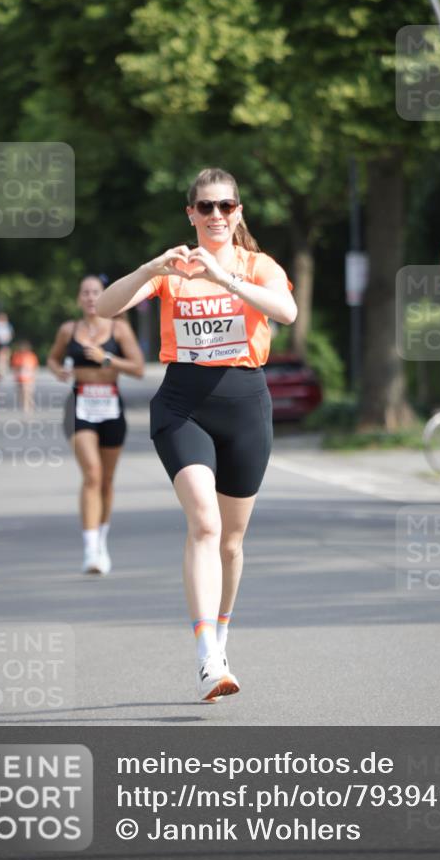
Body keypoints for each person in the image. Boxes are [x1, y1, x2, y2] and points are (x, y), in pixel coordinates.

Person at [96, 167, 297, 702]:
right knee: (204, 524)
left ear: (238, 212)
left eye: (225, 206)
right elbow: (103, 307)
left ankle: (223, 631)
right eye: (204, 207)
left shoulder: (258, 265)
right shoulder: (174, 269)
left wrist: (224, 278)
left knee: (231, 541)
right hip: (183, 405)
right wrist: (150, 267)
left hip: (246, 406)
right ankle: (207, 654)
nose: (215, 216)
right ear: (190, 213)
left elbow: (287, 312)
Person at [47, 275, 144, 575]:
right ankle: (90, 550)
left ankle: (101, 540)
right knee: (92, 473)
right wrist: (58, 372)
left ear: (105, 297)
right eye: (85, 293)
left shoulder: (120, 328)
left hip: (111, 405)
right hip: (80, 404)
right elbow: (52, 359)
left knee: (107, 480)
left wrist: (107, 359)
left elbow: (138, 368)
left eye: (96, 293)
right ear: (78, 299)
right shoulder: (69, 330)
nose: (90, 298)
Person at [10, 340, 39, 413]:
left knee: (27, 392)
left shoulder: (31, 356)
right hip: (20, 377)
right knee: (21, 393)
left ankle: (27, 408)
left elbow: (35, 367)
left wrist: (34, 376)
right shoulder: (17, 356)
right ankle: (26, 406)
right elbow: (15, 367)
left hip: (28, 378)